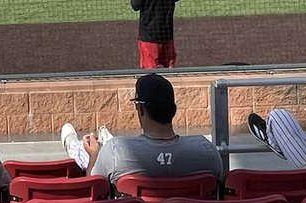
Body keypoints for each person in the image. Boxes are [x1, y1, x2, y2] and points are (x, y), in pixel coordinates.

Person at [60, 73, 224, 183]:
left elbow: (94, 186)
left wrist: (95, 155)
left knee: (88, 153)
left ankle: (72, 143)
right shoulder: (206, 151)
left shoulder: (115, 150)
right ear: (174, 110)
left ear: (141, 109)